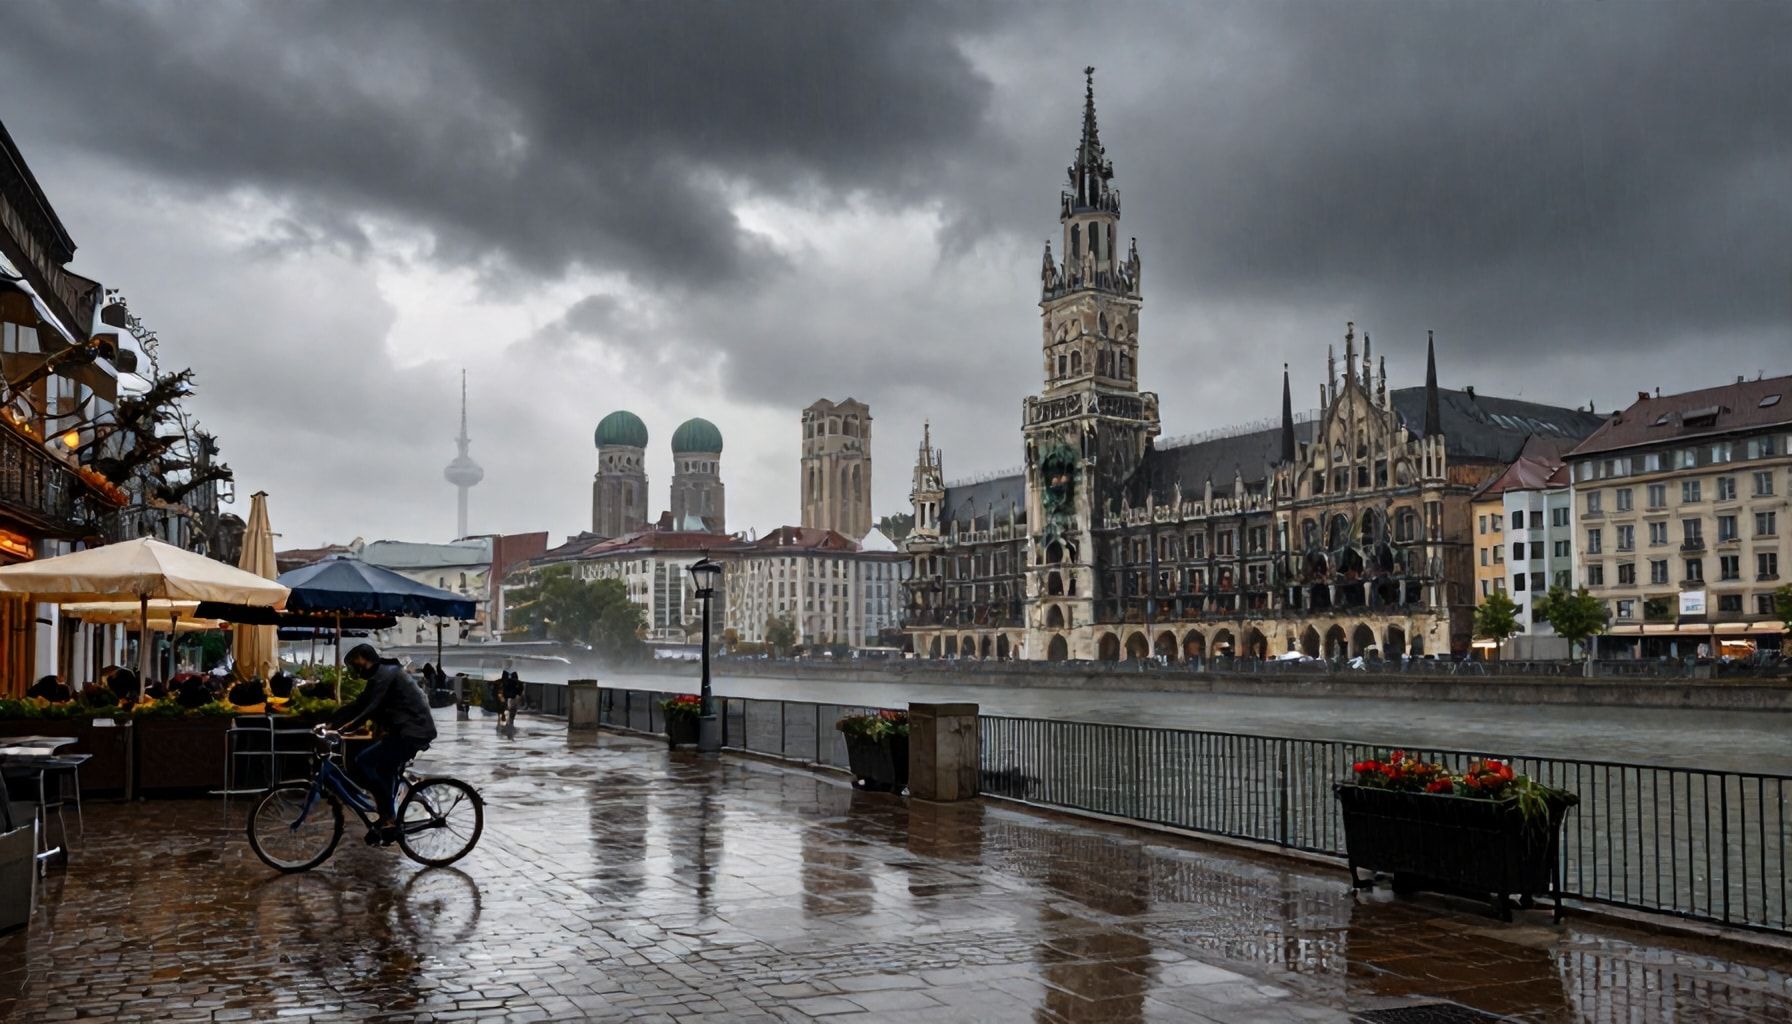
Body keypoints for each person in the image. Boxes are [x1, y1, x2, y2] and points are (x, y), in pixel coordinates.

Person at [331, 643, 439, 844]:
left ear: (365, 659)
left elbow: (372, 707)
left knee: (364, 761)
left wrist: (349, 727)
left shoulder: (386, 674)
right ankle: (387, 818)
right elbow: (360, 703)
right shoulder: (381, 674)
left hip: (412, 732)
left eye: (355, 664)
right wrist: (330, 722)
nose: (355, 669)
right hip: (403, 731)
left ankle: (387, 817)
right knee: (383, 769)